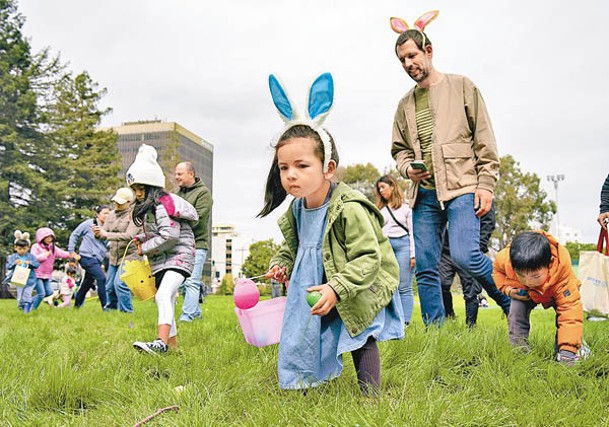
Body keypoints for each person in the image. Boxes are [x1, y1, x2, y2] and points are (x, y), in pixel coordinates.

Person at [260, 73, 403, 395]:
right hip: (311, 284)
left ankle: (371, 397)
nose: (291, 174)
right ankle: (301, 386)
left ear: (328, 168)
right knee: (302, 334)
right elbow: (292, 246)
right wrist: (281, 263)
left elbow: (369, 257)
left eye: (302, 165)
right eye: (284, 168)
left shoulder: (349, 207)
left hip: (352, 282)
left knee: (358, 334)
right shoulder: (296, 209)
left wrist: (337, 289)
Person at [390, 12, 510, 325]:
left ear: (428, 51)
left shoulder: (462, 86)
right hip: (425, 195)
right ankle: (436, 335)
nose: (408, 64)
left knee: (465, 255)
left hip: (462, 186)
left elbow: (484, 139)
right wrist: (407, 170)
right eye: (402, 60)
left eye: (412, 56)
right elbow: (399, 151)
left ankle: (512, 304)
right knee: (428, 267)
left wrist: (486, 184)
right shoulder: (404, 105)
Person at [127, 144, 198, 354]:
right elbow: (160, 231)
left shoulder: (162, 205)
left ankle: (161, 343)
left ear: (152, 186)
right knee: (166, 298)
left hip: (179, 258)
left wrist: (145, 248)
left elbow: (170, 235)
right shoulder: (151, 208)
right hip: (165, 260)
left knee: (163, 295)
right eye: (135, 189)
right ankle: (173, 350)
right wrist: (143, 237)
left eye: (142, 189)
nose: (138, 194)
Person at [493, 231, 589, 365]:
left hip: (554, 289)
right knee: (516, 312)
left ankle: (568, 352)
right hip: (525, 294)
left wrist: (568, 351)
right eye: (521, 275)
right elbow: (497, 271)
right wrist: (507, 290)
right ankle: (519, 352)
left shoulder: (564, 278)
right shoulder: (505, 258)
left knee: (568, 321)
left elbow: (570, 316)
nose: (529, 282)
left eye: (535, 276)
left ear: (549, 264)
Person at [439, 202, 507, 326]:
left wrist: (479, 246)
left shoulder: (475, 195)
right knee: (442, 284)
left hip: (466, 250)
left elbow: (488, 221)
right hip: (445, 251)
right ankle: (449, 316)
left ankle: (471, 325)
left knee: (470, 291)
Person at [174, 161, 212, 322]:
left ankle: (187, 317)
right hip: (181, 244)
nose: (176, 177)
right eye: (176, 174)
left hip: (197, 244)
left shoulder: (203, 194)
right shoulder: (177, 194)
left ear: (191, 174)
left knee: (191, 281)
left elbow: (198, 218)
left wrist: (176, 220)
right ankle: (196, 313)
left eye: (179, 174)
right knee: (182, 282)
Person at [375, 175, 416, 325]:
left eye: (383, 187)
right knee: (387, 285)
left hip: (403, 246)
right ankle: (390, 322)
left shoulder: (406, 207)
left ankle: (405, 323)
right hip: (385, 247)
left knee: (404, 286)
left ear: (392, 187)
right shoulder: (380, 210)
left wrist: (413, 254)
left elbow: (412, 231)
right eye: (379, 189)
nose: (381, 191)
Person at [93, 187, 138, 313]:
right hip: (114, 256)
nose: (117, 204)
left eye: (121, 202)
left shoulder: (134, 215)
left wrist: (106, 235)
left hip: (129, 256)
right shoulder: (111, 214)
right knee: (109, 286)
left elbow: (129, 236)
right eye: (116, 201)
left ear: (129, 202)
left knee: (120, 284)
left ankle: (127, 312)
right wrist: (97, 233)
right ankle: (111, 312)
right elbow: (103, 233)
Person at [69, 205, 111, 310]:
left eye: (109, 213)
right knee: (101, 278)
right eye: (105, 213)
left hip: (97, 259)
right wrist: (71, 251)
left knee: (87, 283)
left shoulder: (109, 227)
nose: (107, 215)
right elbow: (75, 234)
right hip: (86, 257)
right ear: (98, 214)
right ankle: (105, 307)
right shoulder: (89, 224)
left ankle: (77, 306)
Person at [30, 227, 73, 310]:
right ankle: (31, 310)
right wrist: (45, 255)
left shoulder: (52, 248)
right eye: (47, 237)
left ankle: (28, 302)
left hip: (46, 275)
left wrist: (72, 255)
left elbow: (63, 254)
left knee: (49, 292)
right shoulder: (36, 247)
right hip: (36, 274)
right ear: (41, 238)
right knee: (41, 294)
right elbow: (34, 259)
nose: (50, 239)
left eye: (51, 237)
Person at [5, 230, 39, 313]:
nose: (22, 251)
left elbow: (37, 264)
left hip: (30, 280)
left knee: (27, 295)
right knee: (20, 297)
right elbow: (8, 266)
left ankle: (26, 312)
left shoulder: (31, 257)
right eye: (19, 249)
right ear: (15, 248)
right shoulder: (13, 257)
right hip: (19, 280)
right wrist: (14, 263)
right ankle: (21, 306)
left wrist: (30, 263)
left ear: (28, 247)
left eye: (24, 248)